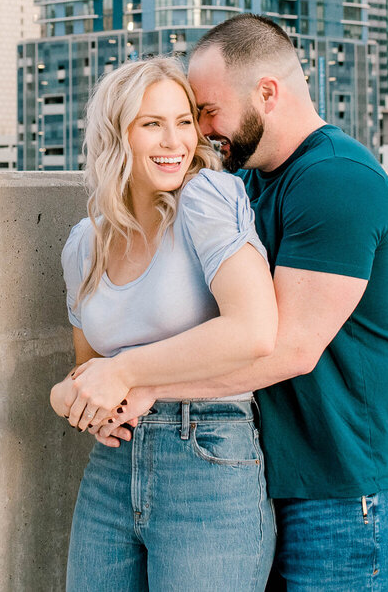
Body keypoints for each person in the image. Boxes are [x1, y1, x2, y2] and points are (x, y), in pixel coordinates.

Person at [95, 15, 388, 591]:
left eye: (206, 111)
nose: (200, 130)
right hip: (278, 473)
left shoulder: (336, 180)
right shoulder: (250, 183)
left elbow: (290, 348)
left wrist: (143, 384)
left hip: (345, 487)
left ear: (266, 94)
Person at [51, 55, 279, 591]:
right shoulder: (85, 243)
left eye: (183, 122)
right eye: (152, 124)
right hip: (111, 467)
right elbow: (87, 371)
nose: (174, 142)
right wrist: (68, 399)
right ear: (117, 135)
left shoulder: (207, 199)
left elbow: (255, 330)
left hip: (208, 454)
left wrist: (128, 373)